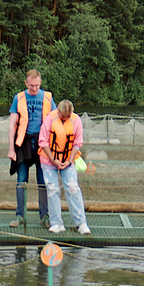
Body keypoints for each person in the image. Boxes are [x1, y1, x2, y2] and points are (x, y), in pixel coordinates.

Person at [6, 67, 55, 229]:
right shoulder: (18, 98)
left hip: (42, 145)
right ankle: (20, 216)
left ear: (40, 83)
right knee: (21, 180)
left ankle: (45, 216)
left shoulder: (48, 97)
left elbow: (56, 121)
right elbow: (12, 125)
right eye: (31, 85)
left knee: (43, 181)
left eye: (37, 85)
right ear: (26, 83)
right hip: (23, 144)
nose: (34, 89)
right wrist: (11, 149)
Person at [42, 99, 90, 233]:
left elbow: (77, 142)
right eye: (63, 116)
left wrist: (69, 160)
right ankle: (56, 222)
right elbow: (43, 141)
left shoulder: (76, 120)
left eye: (68, 116)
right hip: (49, 159)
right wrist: (53, 159)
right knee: (52, 189)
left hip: (68, 160)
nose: (65, 119)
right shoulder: (50, 118)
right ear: (58, 112)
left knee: (73, 188)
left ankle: (81, 223)